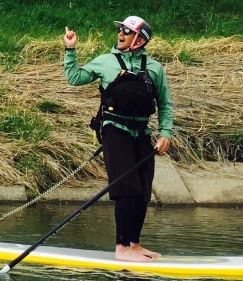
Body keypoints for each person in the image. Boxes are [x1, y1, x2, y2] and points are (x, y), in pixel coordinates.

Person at [63, 16, 173, 262]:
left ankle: (134, 244)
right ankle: (122, 247)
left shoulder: (155, 68)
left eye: (127, 31)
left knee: (143, 190)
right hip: (114, 130)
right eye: (120, 30)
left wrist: (165, 132)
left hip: (142, 133)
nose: (120, 34)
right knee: (126, 188)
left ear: (139, 39)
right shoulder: (105, 62)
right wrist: (70, 50)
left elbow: (165, 104)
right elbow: (74, 78)